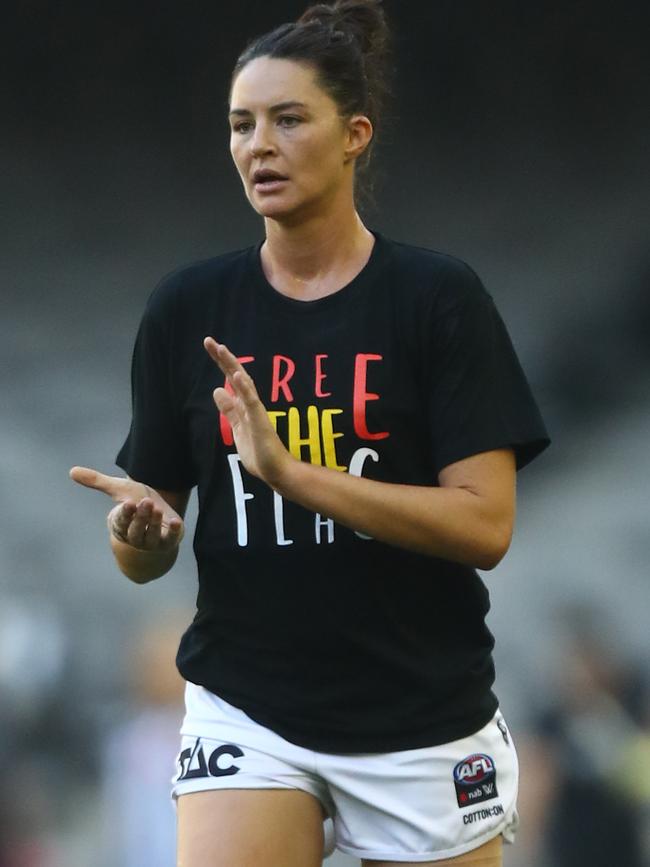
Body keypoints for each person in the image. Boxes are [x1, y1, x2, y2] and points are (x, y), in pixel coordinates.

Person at [70, 1, 550, 864]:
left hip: (421, 714)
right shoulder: (187, 310)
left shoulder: (437, 299)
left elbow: (487, 525)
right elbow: (147, 556)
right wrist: (137, 537)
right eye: (241, 124)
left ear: (355, 133)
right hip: (247, 704)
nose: (260, 144)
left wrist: (292, 474)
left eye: (289, 120)